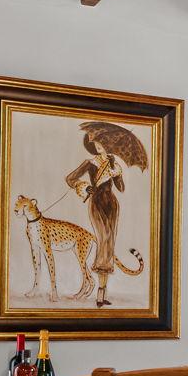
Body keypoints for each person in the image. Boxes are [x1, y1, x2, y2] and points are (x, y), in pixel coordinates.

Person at [65, 129, 126, 307]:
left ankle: (101, 295)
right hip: (97, 203)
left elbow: (121, 188)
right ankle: (99, 294)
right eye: (97, 144)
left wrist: (117, 172)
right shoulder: (90, 163)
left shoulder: (113, 164)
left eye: (103, 144)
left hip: (112, 205)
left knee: (109, 242)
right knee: (103, 241)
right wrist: (85, 188)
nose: (99, 147)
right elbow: (70, 179)